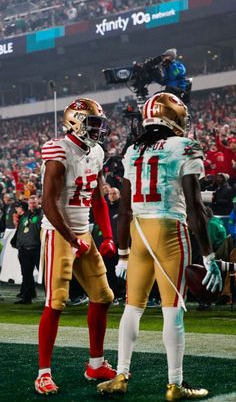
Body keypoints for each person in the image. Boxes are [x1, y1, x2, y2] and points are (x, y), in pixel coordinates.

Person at [97, 92, 222, 400]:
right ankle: (174, 384)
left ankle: (121, 374)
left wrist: (124, 254)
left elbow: (123, 211)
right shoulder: (184, 146)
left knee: (132, 307)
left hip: (138, 233)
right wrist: (209, 256)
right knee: (173, 310)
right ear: (174, 117)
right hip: (169, 231)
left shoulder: (132, 150)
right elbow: (194, 207)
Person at [35, 98, 117, 395]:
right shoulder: (58, 148)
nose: (97, 129)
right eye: (92, 123)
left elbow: (97, 198)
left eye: (99, 123)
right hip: (58, 233)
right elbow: (47, 202)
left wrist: (107, 236)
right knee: (56, 302)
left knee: (103, 296)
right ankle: (43, 373)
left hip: (83, 232)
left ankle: (95, 363)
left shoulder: (97, 152)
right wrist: (71, 240)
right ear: (75, 121)